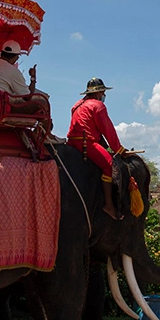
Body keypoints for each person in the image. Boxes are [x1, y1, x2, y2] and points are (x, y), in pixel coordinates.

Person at [67, 78, 126, 220]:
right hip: (87, 144)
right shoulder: (98, 106)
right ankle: (109, 206)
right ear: (99, 92)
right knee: (110, 166)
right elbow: (107, 130)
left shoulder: (76, 105)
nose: (104, 95)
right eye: (103, 92)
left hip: (72, 143)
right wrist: (119, 149)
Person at [0, 39, 49, 116]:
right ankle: (44, 127)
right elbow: (27, 97)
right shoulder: (12, 71)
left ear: (2, 53)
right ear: (16, 57)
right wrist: (33, 79)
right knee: (42, 104)